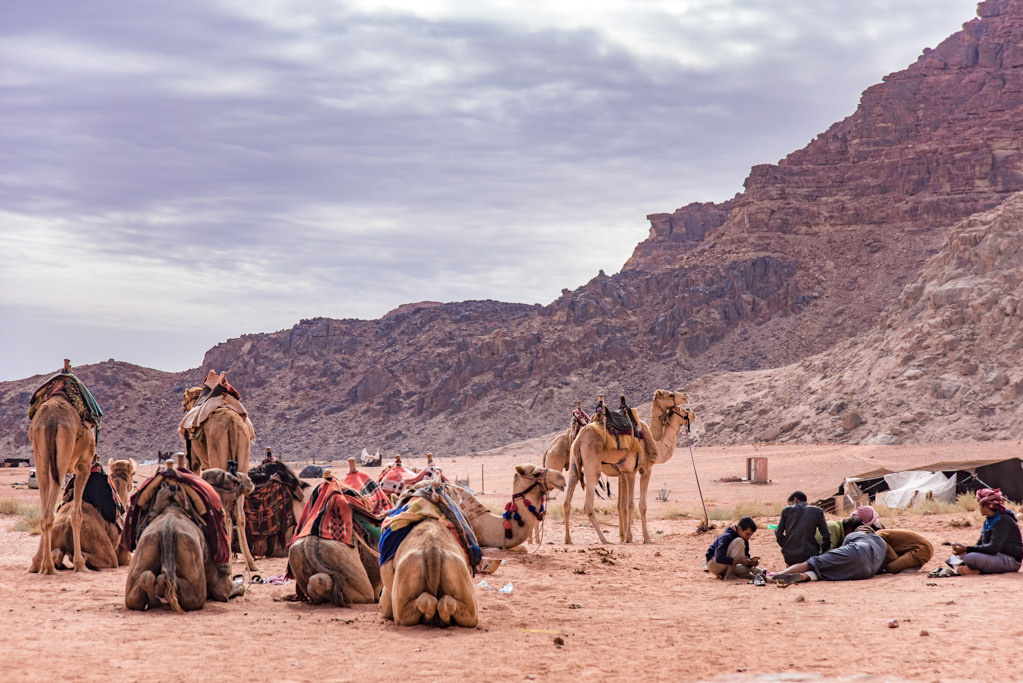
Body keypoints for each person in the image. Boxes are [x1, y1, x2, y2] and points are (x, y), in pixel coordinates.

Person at [770, 526, 887, 583]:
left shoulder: (854, 535)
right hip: (866, 571)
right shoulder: (881, 542)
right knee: (829, 573)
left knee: (812, 562)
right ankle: (804, 577)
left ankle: (775, 577)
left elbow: (843, 552)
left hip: (856, 550)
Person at [950, 488, 1022, 575]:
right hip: (996, 556)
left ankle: (978, 571)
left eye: (980, 505)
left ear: (986, 506)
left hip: (1010, 560)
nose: (979, 507)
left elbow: (993, 548)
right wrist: (964, 550)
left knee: (969, 558)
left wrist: (967, 549)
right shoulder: (988, 520)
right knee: (959, 557)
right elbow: (980, 544)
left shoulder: (1003, 520)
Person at [775, 491, 830, 565]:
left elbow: (778, 533)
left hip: (790, 556)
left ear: (795, 500)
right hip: (810, 556)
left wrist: (786, 545)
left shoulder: (786, 510)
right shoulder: (817, 511)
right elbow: (826, 535)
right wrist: (823, 552)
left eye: (790, 504)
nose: (790, 506)